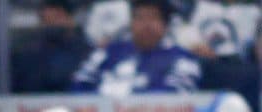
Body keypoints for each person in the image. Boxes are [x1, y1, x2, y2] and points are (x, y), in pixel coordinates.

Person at [74, 0, 203, 94]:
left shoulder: (182, 58)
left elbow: (177, 98)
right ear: (131, 22)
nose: (146, 25)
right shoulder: (107, 52)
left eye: (153, 18)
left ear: (165, 25)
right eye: (140, 18)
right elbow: (79, 85)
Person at [18, 0, 93, 92]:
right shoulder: (30, 54)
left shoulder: (87, 51)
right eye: (46, 20)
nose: (53, 24)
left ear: (69, 19)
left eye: (57, 18)